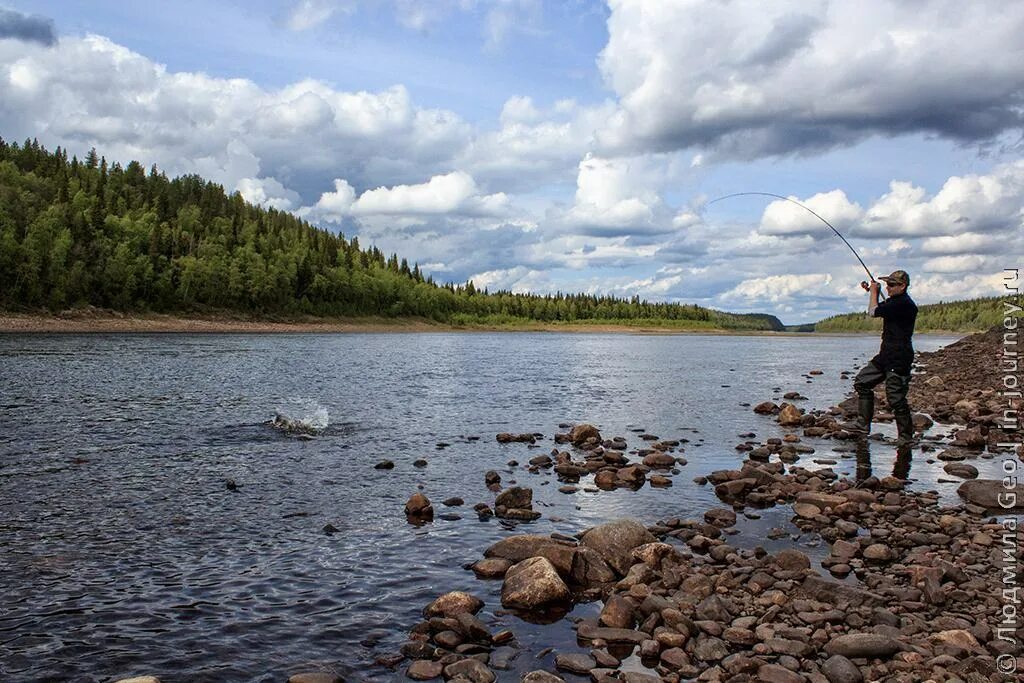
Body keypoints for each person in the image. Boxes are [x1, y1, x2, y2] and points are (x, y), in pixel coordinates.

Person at [844, 270, 918, 445]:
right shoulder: (896, 302)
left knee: (896, 398)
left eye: (892, 285)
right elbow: (881, 308)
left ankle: (906, 437)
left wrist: (873, 293)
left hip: (899, 357)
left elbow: (873, 312)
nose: (888, 287)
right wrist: (872, 291)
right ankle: (863, 424)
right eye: (887, 284)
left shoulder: (904, 304)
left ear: (903, 286)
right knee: (862, 382)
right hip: (885, 355)